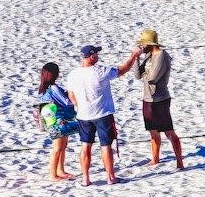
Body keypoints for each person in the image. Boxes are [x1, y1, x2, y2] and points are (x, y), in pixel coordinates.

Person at [124, 28, 184, 168]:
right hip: (148, 99)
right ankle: (155, 158)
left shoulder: (161, 55)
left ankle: (179, 162)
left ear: (150, 43)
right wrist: (137, 58)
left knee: (169, 132)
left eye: (143, 44)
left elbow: (153, 78)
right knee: (153, 132)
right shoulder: (149, 55)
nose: (141, 46)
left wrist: (145, 74)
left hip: (160, 99)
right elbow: (138, 76)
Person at [69, 45, 120, 185]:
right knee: (106, 146)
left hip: (83, 115)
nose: (98, 56)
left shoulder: (73, 74)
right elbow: (122, 70)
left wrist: (79, 106)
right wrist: (134, 56)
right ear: (91, 56)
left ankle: (85, 179)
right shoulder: (100, 71)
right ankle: (111, 177)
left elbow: (71, 94)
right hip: (102, 114)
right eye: (96, 54)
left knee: (85, 145)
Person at [35, 62, 78, 181]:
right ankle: (53, 174)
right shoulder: (53, 88)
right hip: (57, 122)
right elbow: (67, 102)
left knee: (62, 146)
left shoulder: (43, 90)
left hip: (52, 121)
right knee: (57, 148)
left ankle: (60, 170)